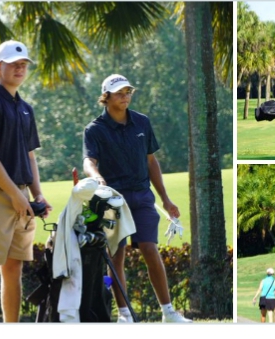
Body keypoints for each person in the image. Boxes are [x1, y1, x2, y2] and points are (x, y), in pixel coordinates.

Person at [82, 74, 191, 323]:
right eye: (119, 92)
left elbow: (151, 161)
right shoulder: (94, 129)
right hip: (112, 199)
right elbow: (89, 161)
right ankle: (125, 315)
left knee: (150, 249)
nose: (125, 96)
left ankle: (168, 312)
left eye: (128, 91)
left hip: (142, 196)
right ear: (106, 97)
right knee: (117, 255)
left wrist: (165, 198)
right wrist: (97, 177)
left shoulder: (142, 122)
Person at [0, 40, 52, 322]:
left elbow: (29, 156)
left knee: (14, 267)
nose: (19, 67)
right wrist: (17, 197)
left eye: (23, 64)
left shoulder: (25, 107)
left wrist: (36, 195)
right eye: (13, 63)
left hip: (20, 196)